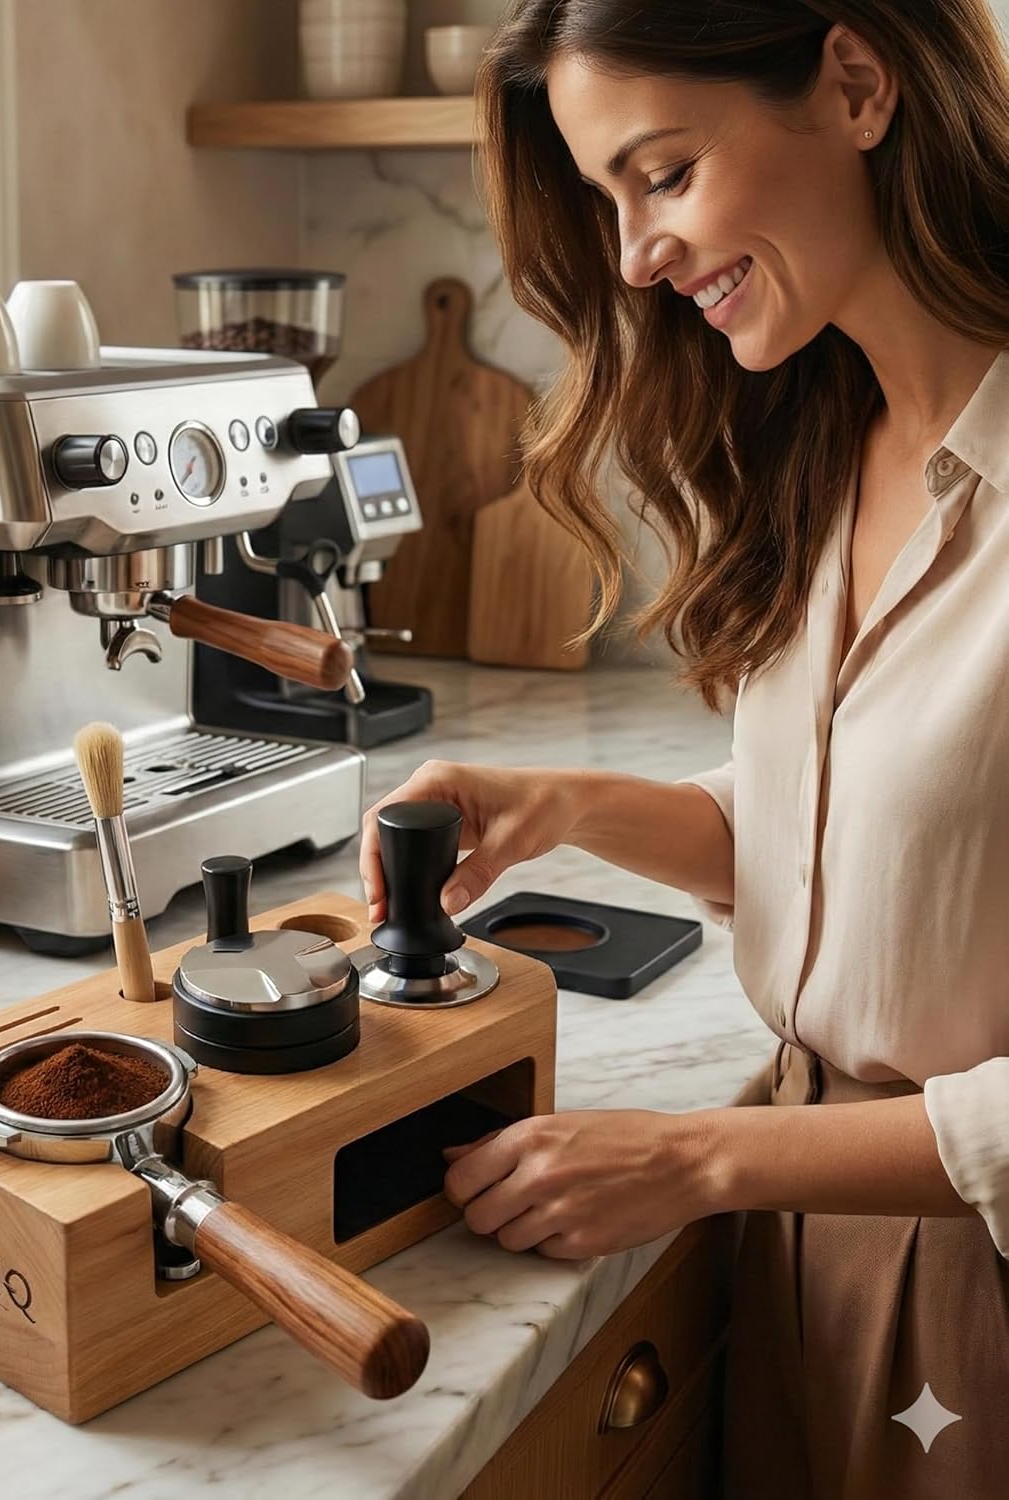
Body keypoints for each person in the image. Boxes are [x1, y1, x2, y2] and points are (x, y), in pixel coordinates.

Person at [359, 3, 1009, 1495]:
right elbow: (883, 838)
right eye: (607, 202)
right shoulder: (823, 442)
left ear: (854, 85)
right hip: (806, 1248)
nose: (636, 254)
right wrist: (572, 804)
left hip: (975, 1295)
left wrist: (695, 1160)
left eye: (662, 174)